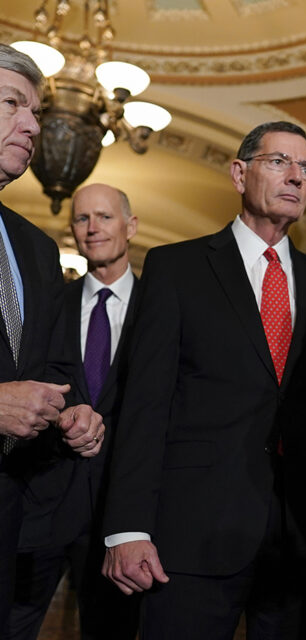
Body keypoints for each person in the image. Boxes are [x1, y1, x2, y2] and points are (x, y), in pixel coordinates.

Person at [101, 121, 306, 640]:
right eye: (279, 162)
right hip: (191, 533)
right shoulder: (176, 269)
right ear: (239, 174)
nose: (296, 177)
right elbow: (144, 404)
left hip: (301, 541)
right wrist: (128, 527)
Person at [0, 44, 104, 634]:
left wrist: (75, 415)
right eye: (14, 103)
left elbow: (52, 368)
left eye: (37, 112)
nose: (33, 125)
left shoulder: (37, 249)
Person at [6, 184, 140, 640]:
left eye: (104, 216)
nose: (92, 228)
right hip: (42, 501)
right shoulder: (49, 300)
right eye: (82, 219)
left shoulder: (161, 308)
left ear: (131, 226)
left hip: (117, 514)